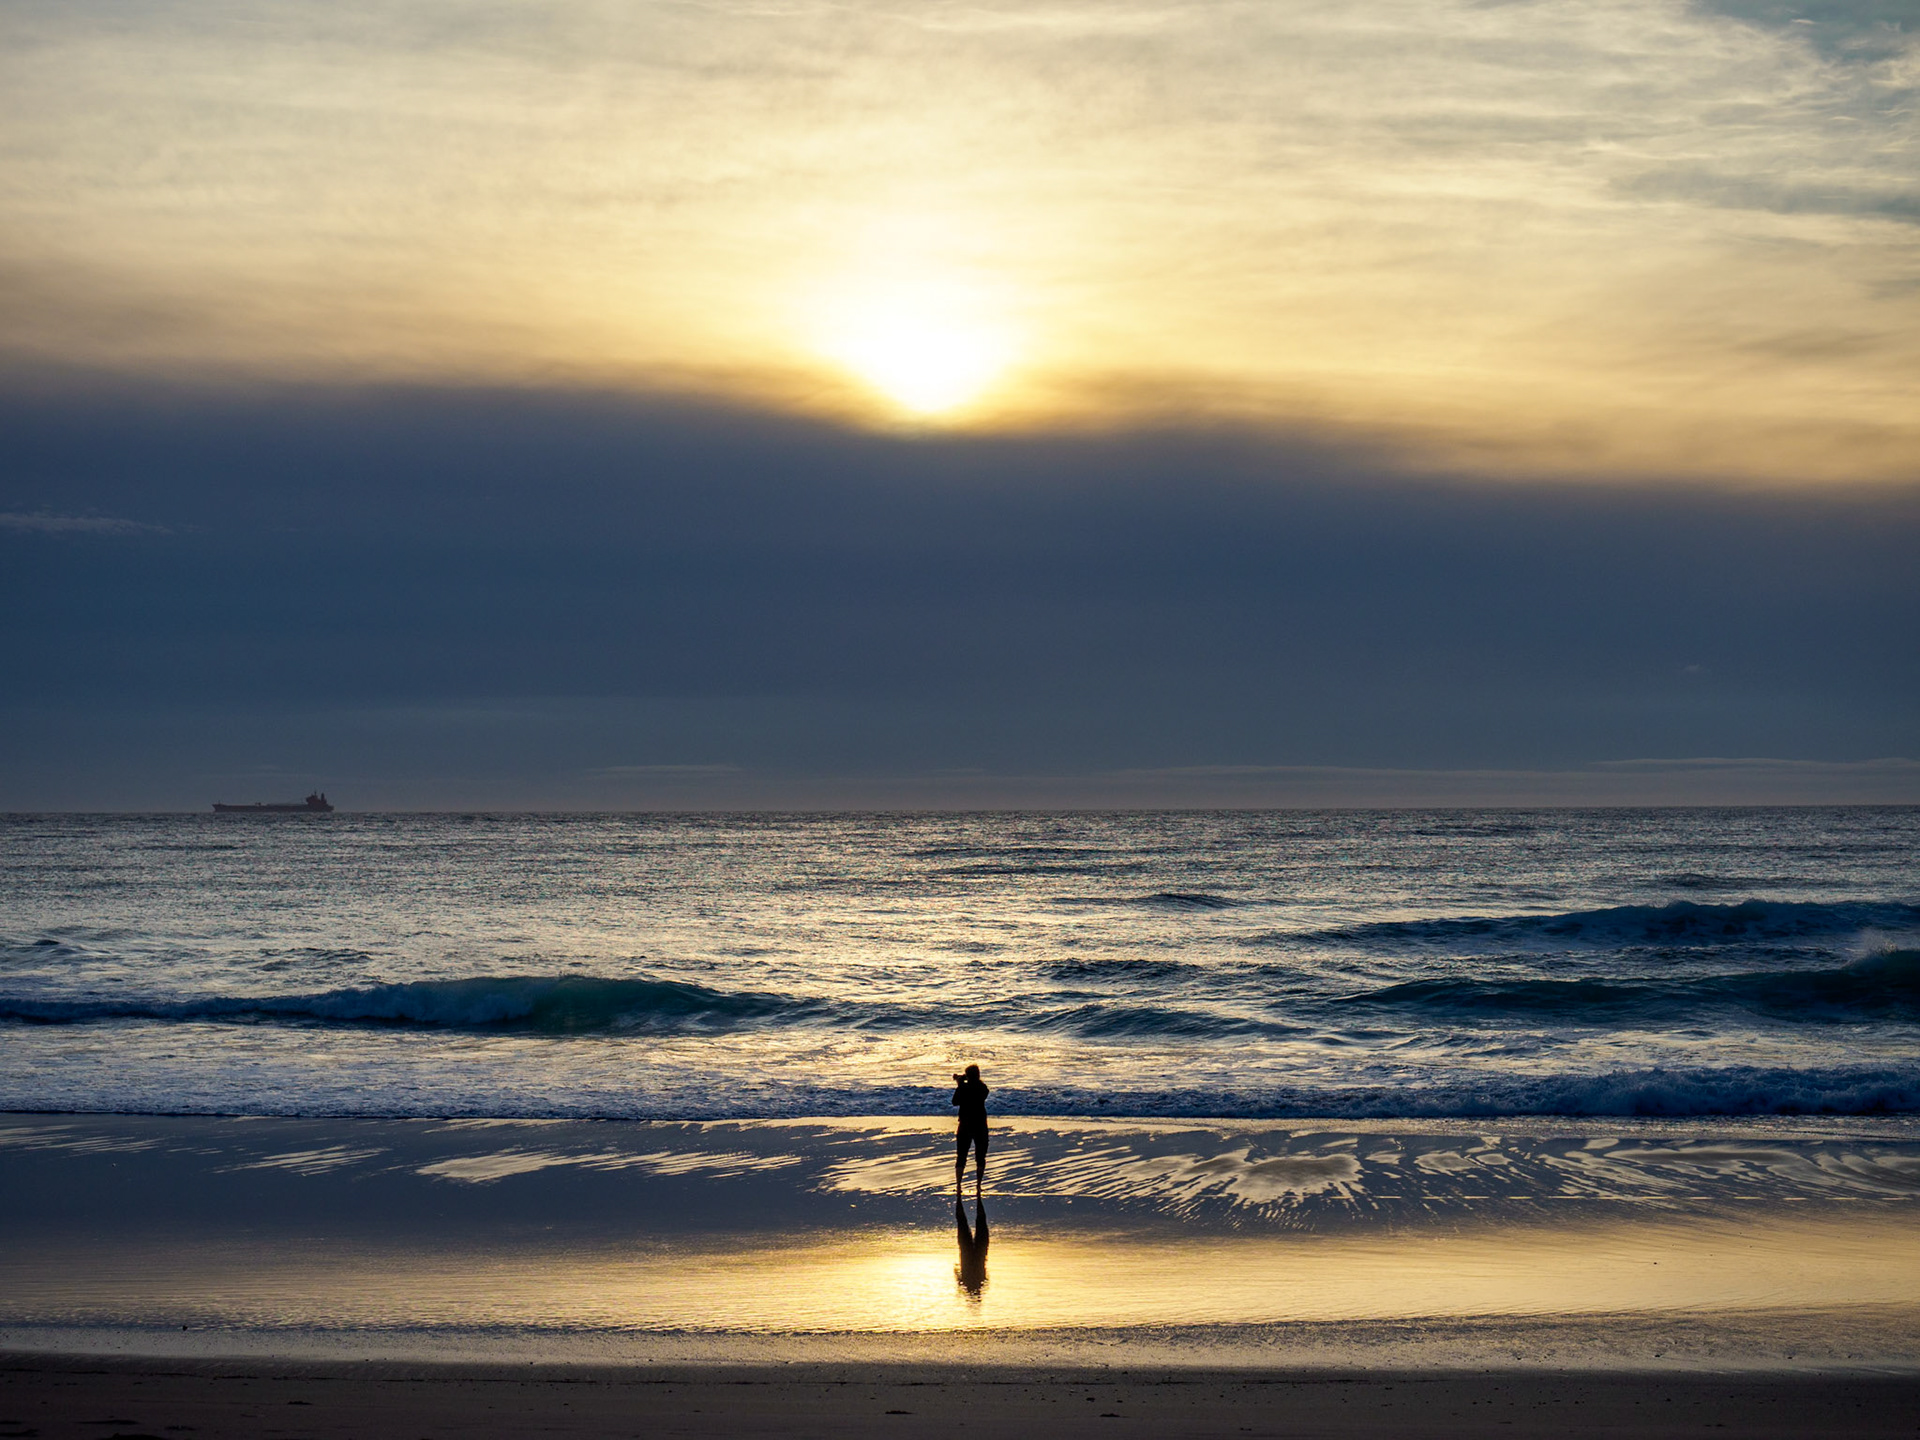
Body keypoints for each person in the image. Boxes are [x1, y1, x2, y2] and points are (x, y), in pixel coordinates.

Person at [951, 1063, 989, 1191]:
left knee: (961, 1155)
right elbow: (983, 1092)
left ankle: (958, 1185)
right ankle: (978, 1185)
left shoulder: (963, 1088)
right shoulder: (982, 1088)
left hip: (965, 1125)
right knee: (980, 1156)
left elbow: (955, 1102)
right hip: (980, 1125)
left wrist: (960, 1084)